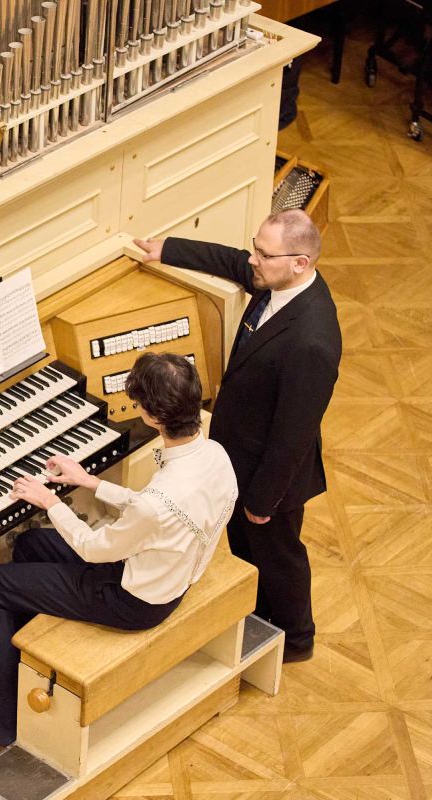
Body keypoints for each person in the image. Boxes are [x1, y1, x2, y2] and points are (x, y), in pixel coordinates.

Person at [0, 353, 237, 747]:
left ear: (153, 416)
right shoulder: (215, 454)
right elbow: (154, 509)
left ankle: (5, 719)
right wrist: (89, 482)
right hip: (169, 572)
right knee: (31, 544)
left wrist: (51, 502)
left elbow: (92, 548)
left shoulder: (157, 503)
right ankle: (13, 661)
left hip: (132, 600)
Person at [133, 208, 341, 664]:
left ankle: (296, 639)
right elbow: (232, 261)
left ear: (300, 263)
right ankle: (259, 615)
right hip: (240, 455)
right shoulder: (277, 279)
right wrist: (169, 249)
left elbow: (293, 434)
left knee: (277, 555)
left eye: (263, 255)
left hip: (271, 476)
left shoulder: (312, 341)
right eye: (256, 248)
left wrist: (263, 500)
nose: (252, 260)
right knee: (247, 549)